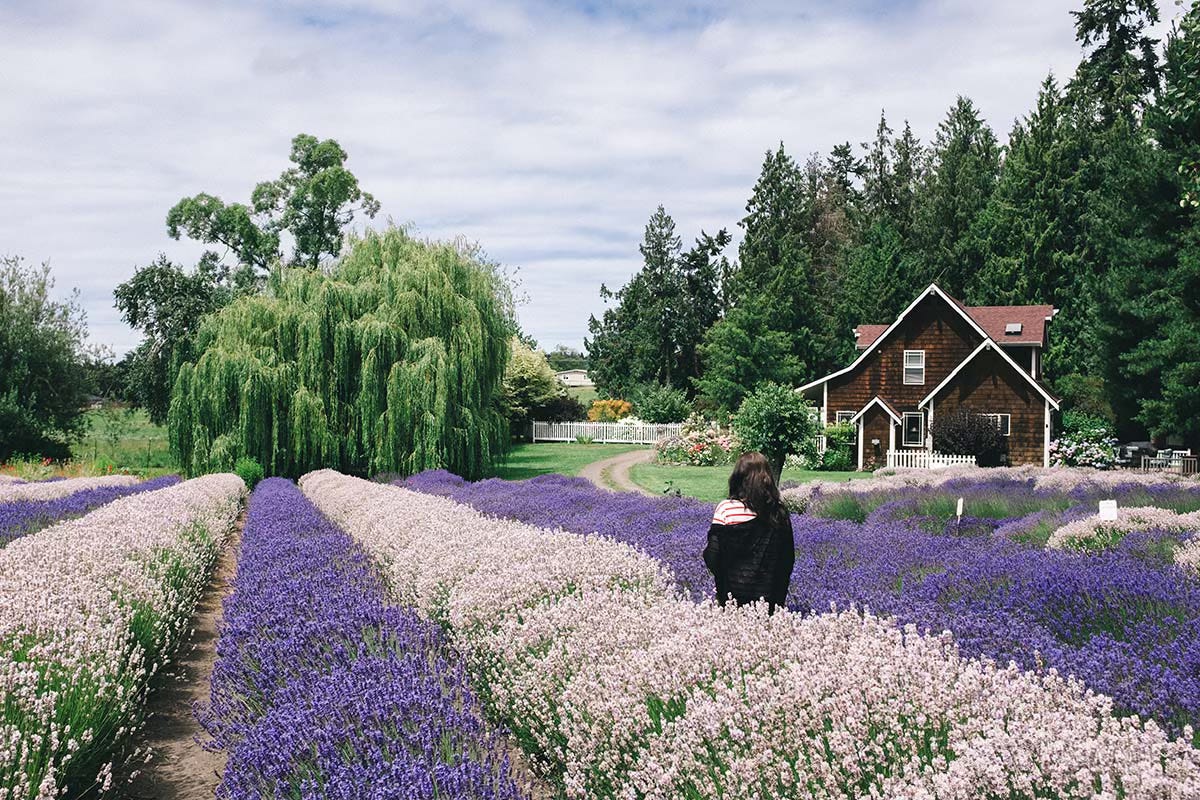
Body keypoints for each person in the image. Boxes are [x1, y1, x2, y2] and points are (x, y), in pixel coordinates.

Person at [702, 451, 795, 613]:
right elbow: (787, 559)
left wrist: (727, 578)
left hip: (732, 598)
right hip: (769, 600)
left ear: (738, 479)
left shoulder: (726, 509)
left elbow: (712, 556)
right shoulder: (778, 513)